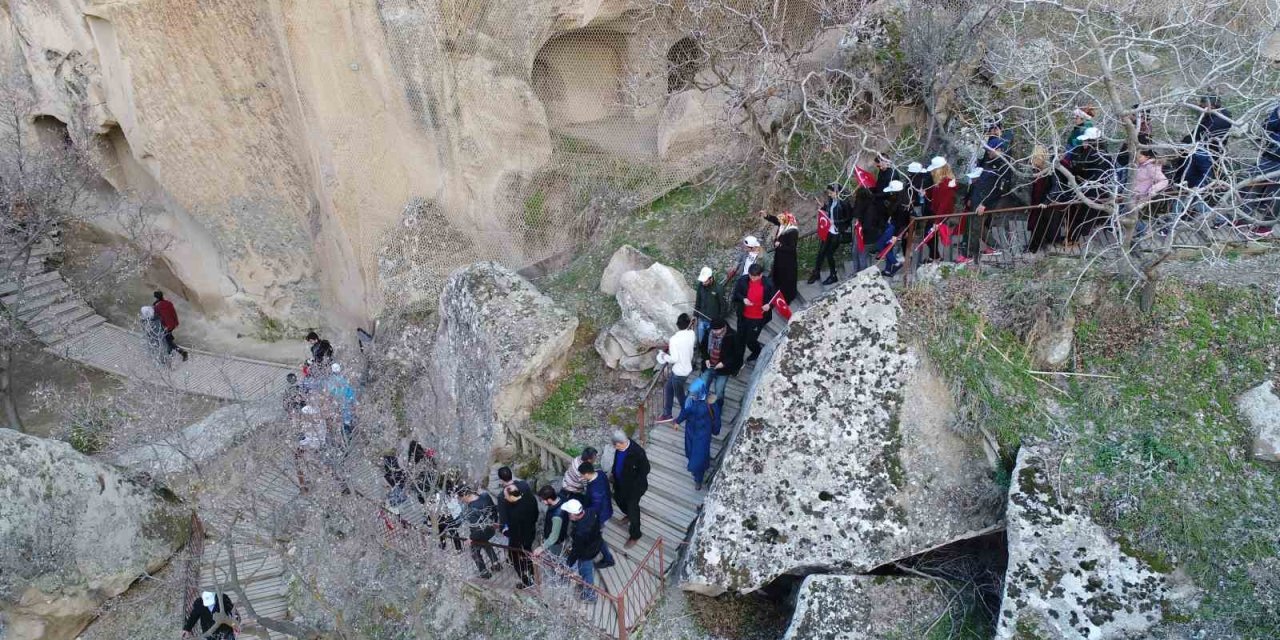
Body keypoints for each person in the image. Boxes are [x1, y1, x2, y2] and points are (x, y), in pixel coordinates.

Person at [1159, 136, 1215, 235]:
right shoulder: (1191, 153)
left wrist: (1198, 186)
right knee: (1198, 205)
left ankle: (1169, 227)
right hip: (1188, 184)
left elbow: (1207, 174)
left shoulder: (1200, 156)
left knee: (1178, 205)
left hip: (1194, 186)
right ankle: (1220, 219)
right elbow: (1184, 168)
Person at [698, 318, 743, 435]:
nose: (714, 332)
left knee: (719, 391)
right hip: (709, 365)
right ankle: (702, 407)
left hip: (723, 370)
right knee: (703, 385)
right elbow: (703, 347)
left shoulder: (732, 336)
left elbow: (736, 355)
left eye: (717, 330)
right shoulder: (709, 332)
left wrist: (724, 363)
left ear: (723, 328)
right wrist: (706, 359)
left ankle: (717, 410)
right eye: (713, 330)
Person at [609, 430, 651, 547]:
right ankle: (627, 514)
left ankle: (635, 535)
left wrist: (634, 484)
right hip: (620, 484)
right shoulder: (620, 449)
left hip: (634, 489)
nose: (615, 447)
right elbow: (617, 462)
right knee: (618, 499)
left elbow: (646, 469)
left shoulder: (638, 452)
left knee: (633, 511)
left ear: (621, 443)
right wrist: (614, 473)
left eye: (616, 445)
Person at [672, 376, 714, 490]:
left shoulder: (710, 402)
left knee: (699, 456)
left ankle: (698, 479)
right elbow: (685, 411)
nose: (692, 396)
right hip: (690, 431)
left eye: (694, 394)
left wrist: (715, 429)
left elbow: (716, 418)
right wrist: (678, 421)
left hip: (703, 434)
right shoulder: (690, 399)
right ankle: (697, 469)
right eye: (691, 393)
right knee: (691, 452)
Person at [561, 499, 605, 602]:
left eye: (569, 513)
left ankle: (590, 596)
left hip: (586, 553)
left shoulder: (581, 532)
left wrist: (569, 563)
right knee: (584, 570)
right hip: (595, 544)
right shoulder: (591, 512)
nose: (568, 515)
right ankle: (585, 585)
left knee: (586, 572)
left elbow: (576, 551)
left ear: (573, 515)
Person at [732, 263, 775, 362]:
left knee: (750, 340)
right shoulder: (743, 280)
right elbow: (736, 293)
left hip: (758, 318)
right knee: (739, 338)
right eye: (750, 275)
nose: (752, 278)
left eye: (754, 277)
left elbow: (774, 299)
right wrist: (743, 299)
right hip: (743, 316)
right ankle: (738, 360)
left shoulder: (769, 284)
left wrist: (769, 306)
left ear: (761, 275)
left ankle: (756, 351)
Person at [656, 313, 696, 422]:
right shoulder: (691, 334)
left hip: (679, 372)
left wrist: (664, 356)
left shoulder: (674, 339)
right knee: (668, 388)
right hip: (686, 368)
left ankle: (686, 414)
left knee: (680, 396)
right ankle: (667, 413)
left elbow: (674, 359)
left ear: (677, 325)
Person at [809, 182, 850, 285]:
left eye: (831, 193)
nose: (829, 195)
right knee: (821, 251)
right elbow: (831, 211)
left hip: (837, 232)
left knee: (829, 253)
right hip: (828, 230)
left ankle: (833, 275)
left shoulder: (844, 203)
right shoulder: (832, 200)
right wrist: (823, 207)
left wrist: (835, 222)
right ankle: (816, 273)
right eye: (828, 193)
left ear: (837, 192)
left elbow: (848, 219)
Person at [1027, 147, 1066, 253]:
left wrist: (1047, 200)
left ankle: (1047, 248)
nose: (1033, 162)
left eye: (1035, 158)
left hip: (1049, 203)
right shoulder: (1037, 170)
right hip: (1039, 202)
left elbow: (1056, 186)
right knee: (1037, 225)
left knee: (1050, 227)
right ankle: (1034, 247)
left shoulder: (1051, 169)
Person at [578, 464, 617, 566]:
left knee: (597, 537)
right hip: (606, 508)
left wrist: (584, 516)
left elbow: (595, 508)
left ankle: (608, 559)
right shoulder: (600, 473)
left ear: (587, 474)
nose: (581, 477)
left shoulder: (595, 491)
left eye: (582, 475)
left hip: (600, 516)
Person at [502, 483, 539, 589]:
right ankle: (531, 576)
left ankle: (526, 581)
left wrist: (505, 532)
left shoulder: (515, 513)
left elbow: (513, 532)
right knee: (528, 555)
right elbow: (536, 514)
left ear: (511, 496)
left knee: (515, 558)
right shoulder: (530, 498)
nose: (504, 498)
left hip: (519, 540)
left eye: (506, 496)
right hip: (530, 533)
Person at [461, 487, 502, 579]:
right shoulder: (485, 496)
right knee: (485, 542)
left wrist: (471, 538)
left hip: (480, 532)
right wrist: (494, 522)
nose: (461, 500)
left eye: (461, 498)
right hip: (491, 528)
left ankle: (484, 572)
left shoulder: (470, 510)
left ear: (465, 495)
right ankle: (496, 563)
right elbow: (494, 510)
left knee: (474, 550)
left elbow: (477, 529)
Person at [761, 210, 799, 302]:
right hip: (780, 256)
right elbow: (775, 220)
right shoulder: (784, 225)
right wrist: (767, 216)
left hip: (787, 260)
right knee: (779, 275)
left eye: (781, 221)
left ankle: (787, 297)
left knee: (786, 278)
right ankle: (778, 293)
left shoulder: (792, 231)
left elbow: (792, 248)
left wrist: (780, 245)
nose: (779, 222)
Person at [926, 158, 958, 262]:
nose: (932, 172)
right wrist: (926, 194)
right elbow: (935, 197)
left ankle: (940, 259)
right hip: (936, 213)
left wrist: (937, 221)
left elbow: (944, 204)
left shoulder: (947, 184)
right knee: (932, 237)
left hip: (941, 215)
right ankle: (935, 257)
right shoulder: (940, 182)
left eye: (934, 169)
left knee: (941, 237)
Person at [875, 180, 908, 276]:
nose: (890, 193)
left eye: (891, 192)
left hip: (894, 228)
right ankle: (888, 270)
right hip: (893, 225)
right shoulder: (901, 199)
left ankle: (896, 263)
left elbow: (900, 221)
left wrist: (895, 235)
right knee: (888, 247)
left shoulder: (901, 204)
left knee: (880, 245)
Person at [152, 291, 189, 362]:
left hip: (166, 326)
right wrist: (176, 322)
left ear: (156, 297)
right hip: (172, 324)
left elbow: (155, 317)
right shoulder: (169, 303)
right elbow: (173, 313)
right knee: (168, 340)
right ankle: (171, 355)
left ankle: (182, 353)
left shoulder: (157, 307)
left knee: (168, 341)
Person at [534, 485, 569, 558]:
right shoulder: (561, 498)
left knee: (553, 558)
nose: (542, 502)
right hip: (561, 534)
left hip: (556, 544)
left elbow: (554, 537)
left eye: (543, 500)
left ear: (549, 499)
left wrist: (542, 548)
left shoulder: (557, 516)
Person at [323, 363, 356, 440]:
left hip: (335, 409)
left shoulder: (329, 382)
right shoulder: (345, 381)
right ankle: (347, 439)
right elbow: (351, 396)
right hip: (346, 408)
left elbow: (328, 395)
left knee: (335, 427)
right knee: (346, 425)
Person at [693, 267, 725, 343]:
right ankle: (701, 347)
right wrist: (695, 315)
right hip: (702, 318)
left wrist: (719, 320)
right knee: (701, 339)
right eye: (702, 281)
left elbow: (723, 305)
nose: (703, 283)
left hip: (712, 320)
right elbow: (698, 300)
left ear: (711, 278)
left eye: (705, 281)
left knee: (711, 341)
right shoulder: (700, 285)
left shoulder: (718, 289)